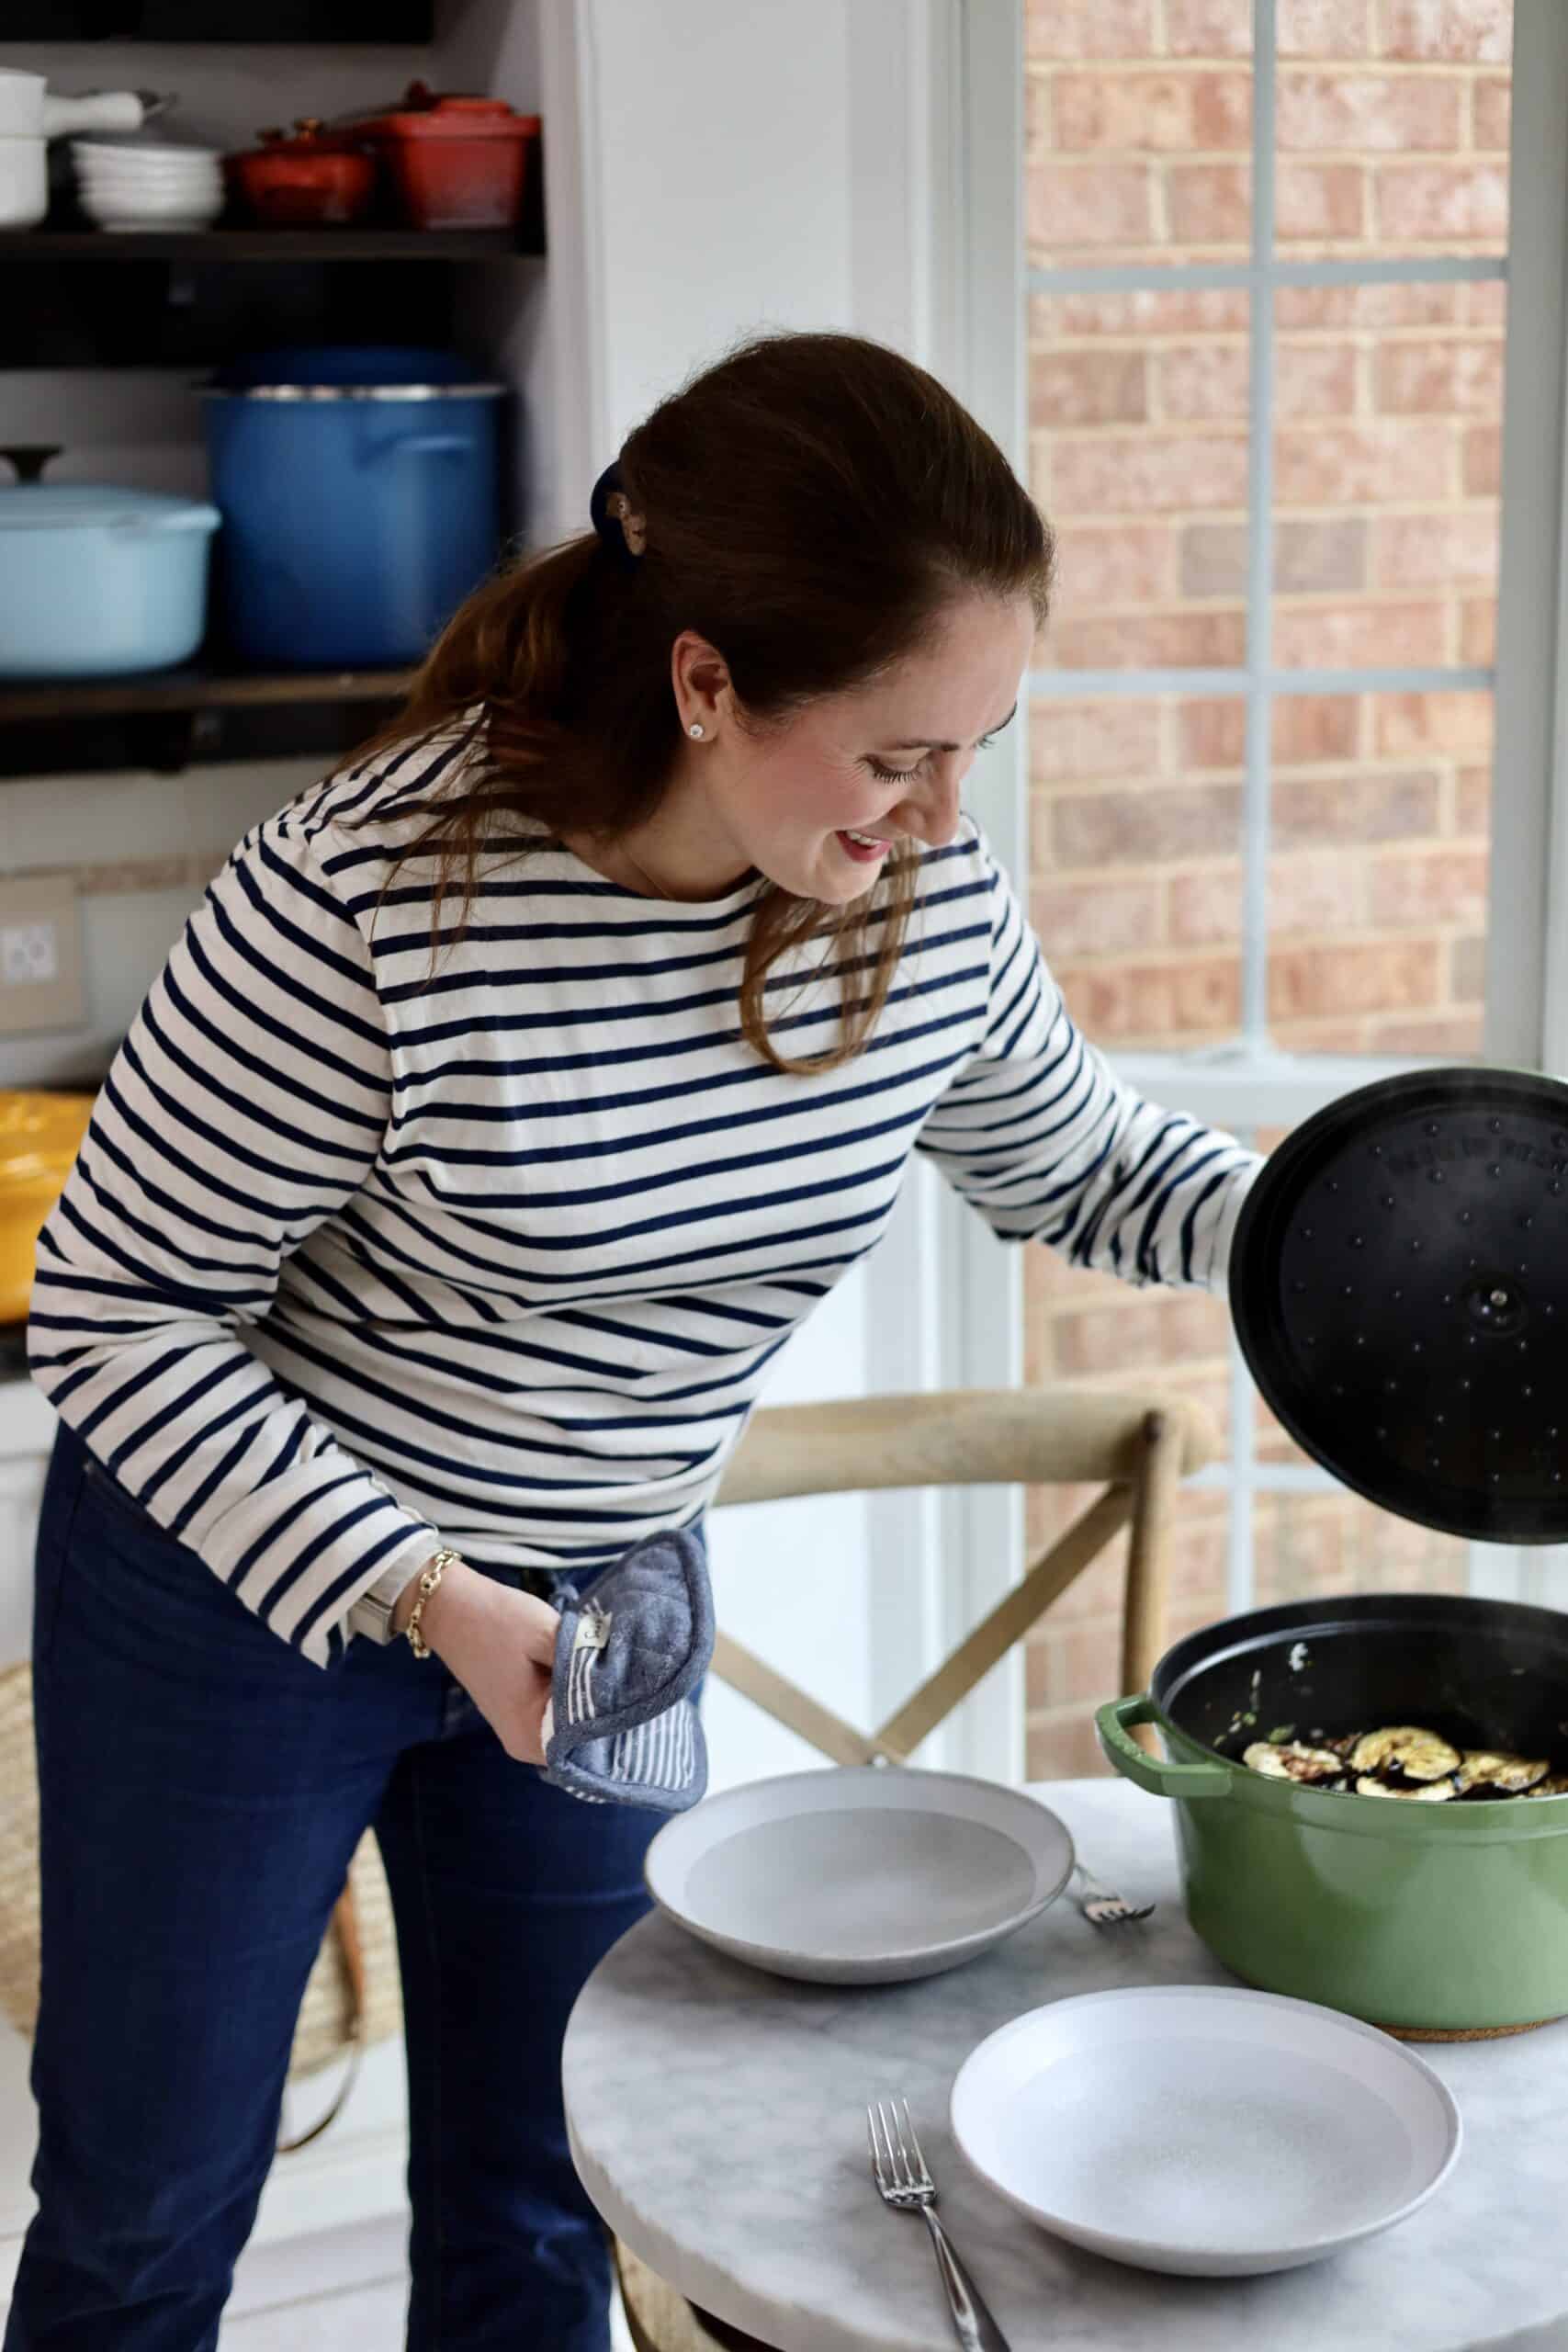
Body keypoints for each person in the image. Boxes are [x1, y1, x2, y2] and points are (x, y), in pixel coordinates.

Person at [8, 327, 1258, 2352]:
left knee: (540, 2185)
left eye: (974, 752)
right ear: (704, 680)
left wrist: (1370, 1223)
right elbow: (122, 1310)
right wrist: (416, 1584)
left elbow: (1082, 1160)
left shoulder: (914, 905)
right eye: (890, 752)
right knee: (151, 2209)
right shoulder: (365, 901)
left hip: (598, 1602)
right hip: (241, 1598)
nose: (939, 819)